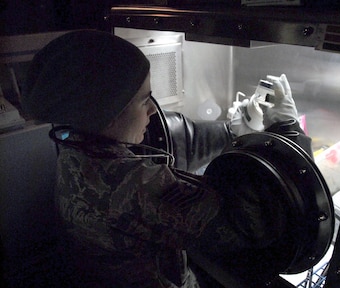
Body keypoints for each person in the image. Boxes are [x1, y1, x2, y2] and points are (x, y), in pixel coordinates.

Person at [21, 30, 311, 288]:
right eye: (144, 100)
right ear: (105, 113)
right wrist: (286, 130)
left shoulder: (73, 152)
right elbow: (254, 226)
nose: (151, 111)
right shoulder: (137, 185)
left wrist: (232, 131)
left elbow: (185, 144)